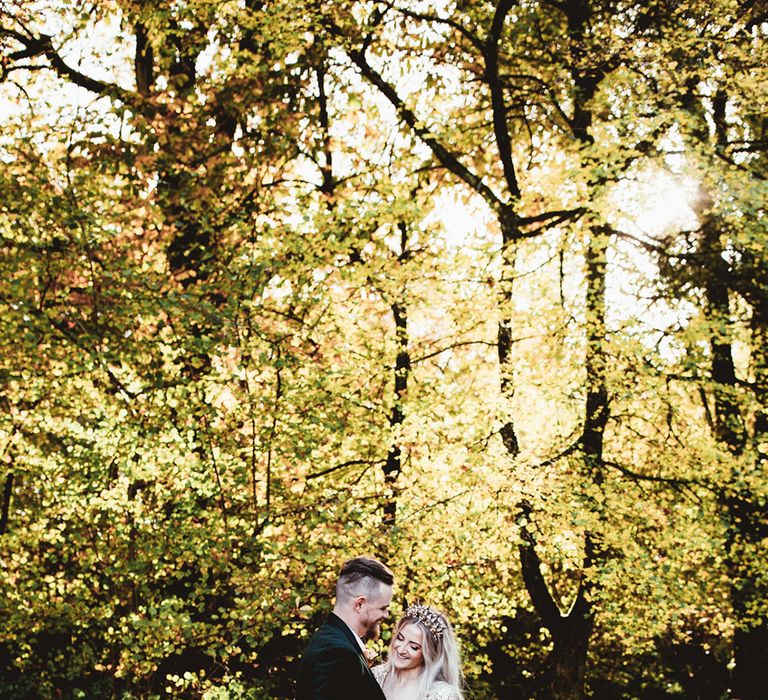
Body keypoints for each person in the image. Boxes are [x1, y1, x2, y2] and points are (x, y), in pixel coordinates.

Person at [296, 556, 395, 700]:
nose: (386, 615)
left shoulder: (332, 639)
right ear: (360, 604)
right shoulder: (339, 654)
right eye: (383, 608)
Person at [372, 604, 464, 700]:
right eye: (400, 638)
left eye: (414, 647)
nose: (401, 650)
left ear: (429, 653)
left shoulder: (442, 695)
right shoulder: (376, 675)